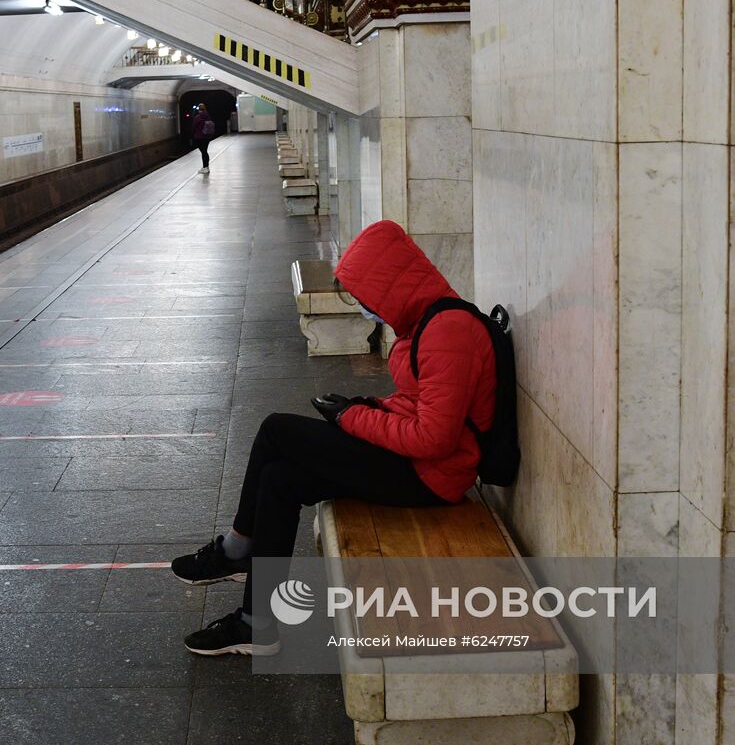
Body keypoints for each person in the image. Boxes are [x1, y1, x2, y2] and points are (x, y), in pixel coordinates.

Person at [172, 219, 498, 655]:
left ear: (389, 287)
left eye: (366, 298)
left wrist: (350, 417)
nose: (365, 308)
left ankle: (236, 548)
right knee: (279, 479)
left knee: (277, 430)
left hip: (431, 476)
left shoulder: (447, 332)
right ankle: (256, 624)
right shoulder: (425, 321)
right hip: (416, 463)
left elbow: (434, 439)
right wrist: (368, 406)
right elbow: (421, 405)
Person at [191, 103, 216, 173]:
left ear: (199, 110)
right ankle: (206, 167)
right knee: (205, 151)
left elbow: (194, 126)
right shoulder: (208, 116)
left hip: (199, 137)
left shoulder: (197, 117)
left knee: (203, 152)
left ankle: (205, 167)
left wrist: (193, 134)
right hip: (207, 136)